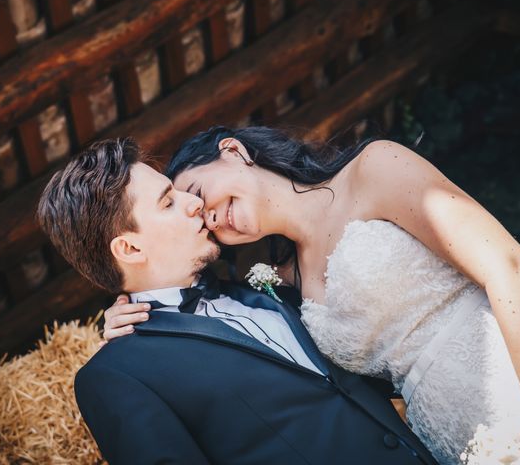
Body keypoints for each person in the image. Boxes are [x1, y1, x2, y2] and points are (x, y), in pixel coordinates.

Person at [104, 126, 520, 464]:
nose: (213, 218)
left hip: (518, 373)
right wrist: (131, 318)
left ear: (234, 152)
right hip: (455, 441)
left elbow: (510, 269)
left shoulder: (374, 168)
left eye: (200, 196)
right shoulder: (277, 288)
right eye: (203, 219)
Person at [36, 137, 437, 465]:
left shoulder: (264, 286)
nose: (194, 203)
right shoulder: (117, 374)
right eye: (168, 202)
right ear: (129, 247)